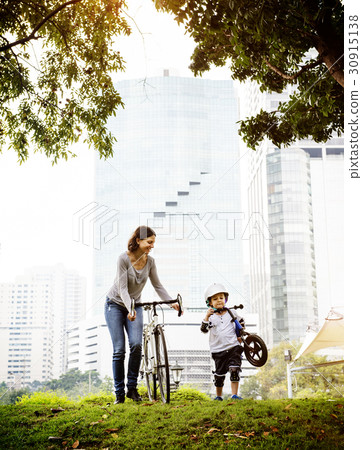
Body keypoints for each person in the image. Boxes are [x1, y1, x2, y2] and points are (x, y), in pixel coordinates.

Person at [105, 225, 179, 404]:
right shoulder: (123, 259)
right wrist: (128, 308)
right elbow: (122, 288)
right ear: (138, 241)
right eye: (149, 242)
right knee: (119, 350)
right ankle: (119, 393)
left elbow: (157, 286)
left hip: (135, 305)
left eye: (153, 243)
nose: (152, 246)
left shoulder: (150, 262)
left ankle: (131, 388)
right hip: (114, 304)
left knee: (137, 344)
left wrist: (171, 302)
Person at [201, 283, 243, 401]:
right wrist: (206, 316)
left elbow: (240, 323)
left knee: (234, 370)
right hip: (218, 350)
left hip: (233, 346)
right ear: (210, 302)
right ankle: (218, 396)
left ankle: (234, 395)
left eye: (221, 298)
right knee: (219, 375)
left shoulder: (231, 313)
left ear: (225, 299)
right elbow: (204, 329)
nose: (219, 300)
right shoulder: (211, 316)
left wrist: (240, 335)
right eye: (215, 299)